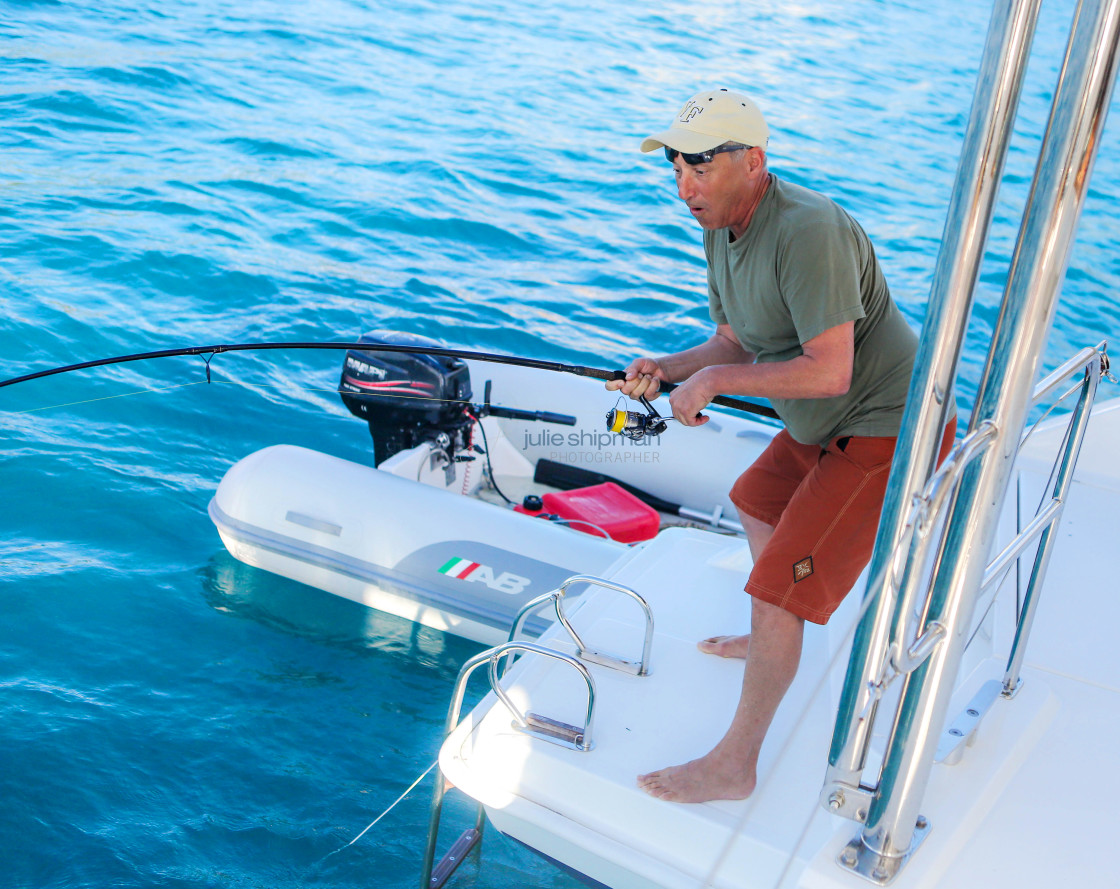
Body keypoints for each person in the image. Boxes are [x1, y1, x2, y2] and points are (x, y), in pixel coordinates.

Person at [607, 88, 955, 804]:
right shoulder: (720, 226)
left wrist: (718, 380)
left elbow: (831, 370)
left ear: (754, 161)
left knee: (775, 590)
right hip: (820, 423)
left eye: (700, 167)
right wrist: (671, 368)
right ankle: (778, 628)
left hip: (887, 424)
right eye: (675, 167)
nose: (684, 185)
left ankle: (736, 762)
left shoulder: (809, 231)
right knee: (752, 499)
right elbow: (734, 338)